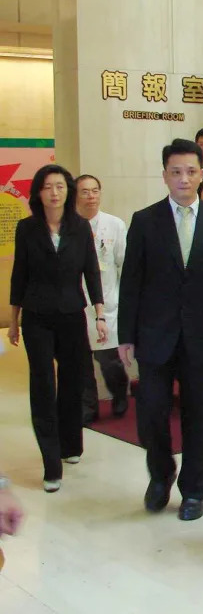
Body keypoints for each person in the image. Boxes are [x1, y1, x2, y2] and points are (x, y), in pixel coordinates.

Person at [118, 139, 203, 522]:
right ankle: (160, 477)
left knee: (201, 415)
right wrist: (126, 335)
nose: (184, 179)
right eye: (176, 172)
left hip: (202, 336)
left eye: (191, 171)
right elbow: (130, 281)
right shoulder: (145, 221)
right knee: (151, 413)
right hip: (154, 335)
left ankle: (195, 491)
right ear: (165, 175)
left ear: (202, 173)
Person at [8, 164, 107, 493]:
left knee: (72, 380)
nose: (54, 193)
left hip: (71, 313)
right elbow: (19, 274)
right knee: (42, 384)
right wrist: (13, 318)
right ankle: (51, 463)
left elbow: (91, 270)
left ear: (68, 191)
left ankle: (70, 445)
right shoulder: (27, 229)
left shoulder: (79, 228)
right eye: (48, 187)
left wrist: (100, 313)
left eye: (60, 186)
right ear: (38, 193)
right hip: (37, 315)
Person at [76, 174, 130, 424]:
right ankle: (88, 407)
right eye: (85, 192)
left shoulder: (114, 224)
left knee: (109, 360)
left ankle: (119, 393)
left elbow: (124, 264)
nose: (91, 196)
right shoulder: (70, 226)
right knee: (80, 361)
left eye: (95, 191)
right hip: (77, 304)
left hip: (108, 303)